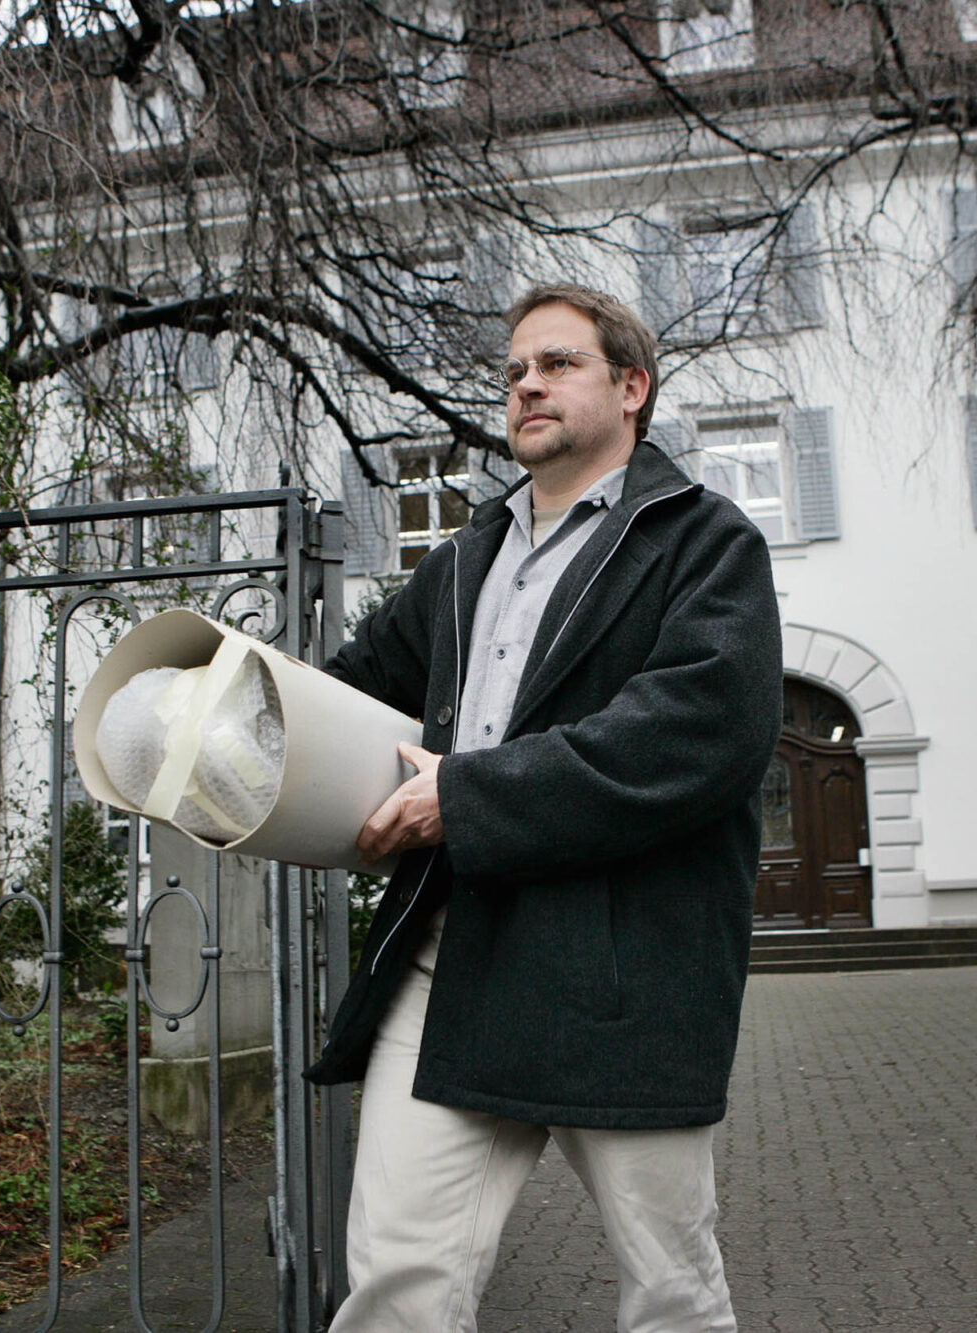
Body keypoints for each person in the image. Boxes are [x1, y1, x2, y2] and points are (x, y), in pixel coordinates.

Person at [305, 282, 783, 1332]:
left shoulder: (703, 543)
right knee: (395, 1284)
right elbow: (341, 695)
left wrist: (463, 797)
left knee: (670, 1289)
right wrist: (229, 733)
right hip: (451, 956)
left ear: (631, 386)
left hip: (623, 965)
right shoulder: (462, 561)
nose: (525, 383)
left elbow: (694, 734)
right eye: (514, 370)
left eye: (555, 363)